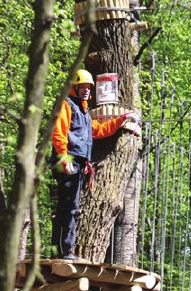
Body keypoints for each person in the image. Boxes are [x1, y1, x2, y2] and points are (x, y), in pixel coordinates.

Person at [51, 69, 140, 259]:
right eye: (82, 87)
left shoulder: (83, 111)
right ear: (74, 87)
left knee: (71, 206)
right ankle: (64, 251)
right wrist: (64, 159)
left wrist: (122, 119)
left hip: (77, 164)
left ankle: (63, 250)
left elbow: (98, 130)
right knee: (68, 208)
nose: (86, 91)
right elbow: (58, 133)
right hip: (68, 161)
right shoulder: (66, 105)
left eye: (88, 88)